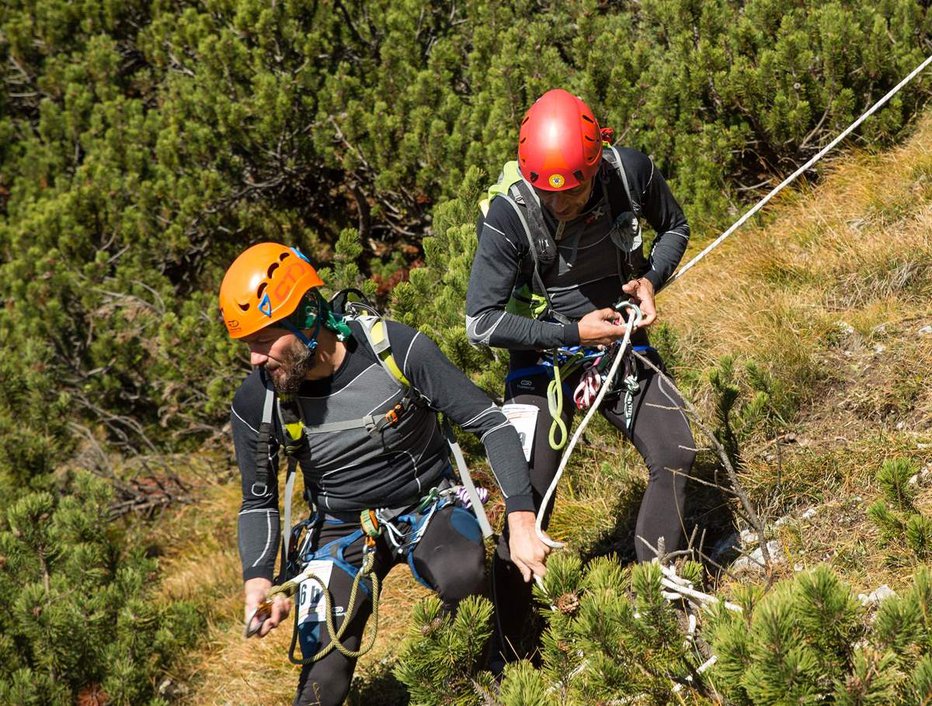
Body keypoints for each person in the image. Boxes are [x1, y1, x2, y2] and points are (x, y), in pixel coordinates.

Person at [219, 242, 549, 705]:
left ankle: (495, 671)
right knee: (320, 687)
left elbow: (489, 422)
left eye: (262, 341)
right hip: (338, 529)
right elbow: (257, 502)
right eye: (247, 345)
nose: (254, 359)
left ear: (306, 318)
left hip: (427, 504)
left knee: (464, 573)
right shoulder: (259, 401)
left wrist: (519, 516)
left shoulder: (394, 348)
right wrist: (260, 579)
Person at [465, 89, 697, 662]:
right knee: (528, 505)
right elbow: (480, 323)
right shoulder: (509, 214)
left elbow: (676, 227)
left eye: (573, 192)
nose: (560, 204)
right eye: (549, 193)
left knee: (677, 449)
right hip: (542, 359)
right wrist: (571, 335)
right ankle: (511, 648)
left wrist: (651, 280)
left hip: (614, 343)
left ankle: (658, 596)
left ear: (596, 163)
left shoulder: (629, 171)